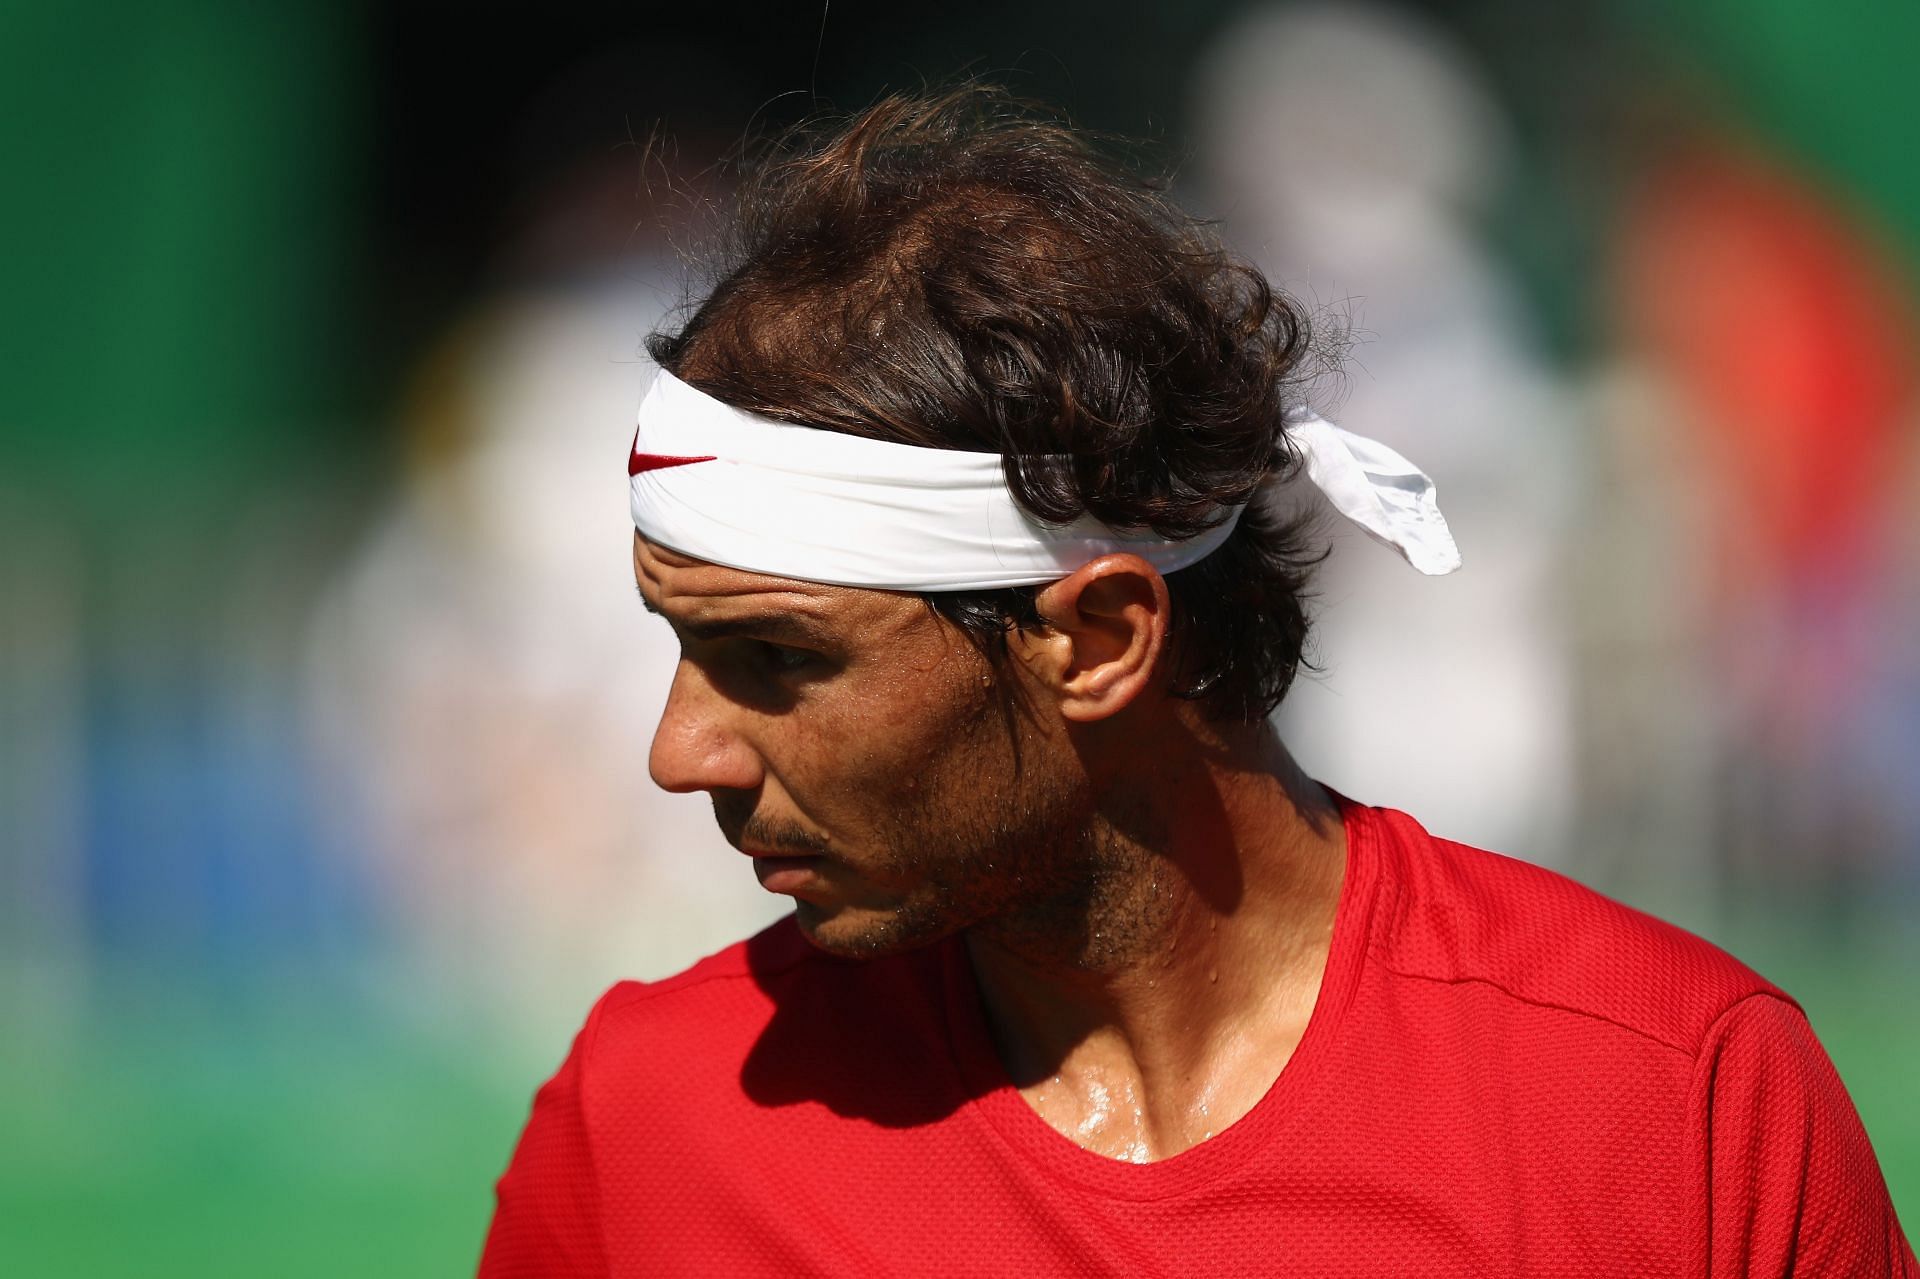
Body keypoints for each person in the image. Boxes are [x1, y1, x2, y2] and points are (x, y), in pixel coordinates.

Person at [479, 89, 1914, 1277]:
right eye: (684, 648)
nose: (682, 755)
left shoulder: (1672, 1106)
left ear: (1100, 640)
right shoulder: (649, 1125)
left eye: (778, 661)